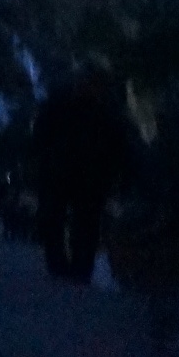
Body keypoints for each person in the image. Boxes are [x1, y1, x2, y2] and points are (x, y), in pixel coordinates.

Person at [32, 62, 128, 283]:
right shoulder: (60, 102)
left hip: (91, 173)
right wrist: (42, 160)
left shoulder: (106, 109)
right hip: (59, 169)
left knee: (86, 220)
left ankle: (81, 266)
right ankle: (58, 263)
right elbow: (41, 131)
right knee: (54, 215)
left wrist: (115, 173)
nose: (89, 87)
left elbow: (118, 142)